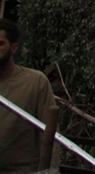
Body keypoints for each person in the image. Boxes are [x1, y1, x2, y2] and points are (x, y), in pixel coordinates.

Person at [0, 19, 58, 173]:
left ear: (13, 48)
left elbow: (51, 136)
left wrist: (49, 170)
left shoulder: (35, 82)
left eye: (0, 44)